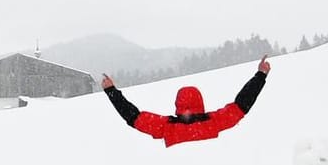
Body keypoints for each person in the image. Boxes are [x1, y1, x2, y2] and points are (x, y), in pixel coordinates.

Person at [101, 58, 269, 146]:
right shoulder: (213, 123)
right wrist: (260, 76)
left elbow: (134, 117)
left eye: (187, 107)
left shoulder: (167, 127)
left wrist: (111, 92)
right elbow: (241, 106)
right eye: (185, 107)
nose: (187, 112)